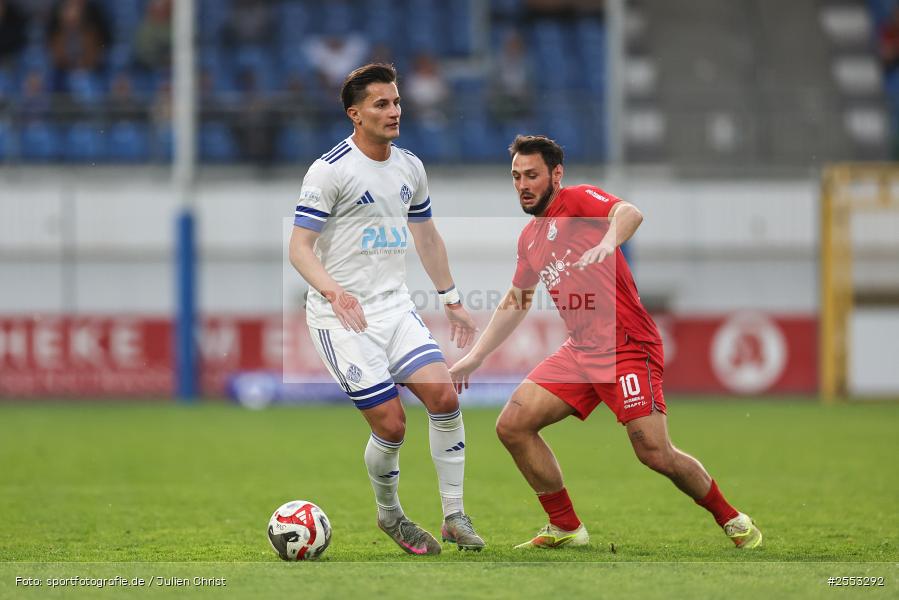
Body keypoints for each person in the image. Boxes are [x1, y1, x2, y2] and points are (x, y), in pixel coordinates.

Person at [449, 135, 762, 550]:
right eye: (516, 176)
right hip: (581, 352)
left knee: (654, 451)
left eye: (532, 175)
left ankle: (733, 519)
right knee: (513, 425)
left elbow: (630, 213)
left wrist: (606, 241)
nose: (523, 184)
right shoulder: (530, 238)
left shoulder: (578, 202)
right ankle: (565, 527)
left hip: (627, 345)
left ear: (556, 175)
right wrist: (475, 357)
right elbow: (517, 300)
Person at [288, 63, 485, 555]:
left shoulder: (410, 167)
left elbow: (427, 237)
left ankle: (455, 515)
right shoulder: (329, 170)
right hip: (341, 319)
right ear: (355, 114)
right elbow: (299, 248)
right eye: (381, 104)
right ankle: (391, 515)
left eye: (396, 102)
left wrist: (453, 301)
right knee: (392, 425)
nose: (394, 111)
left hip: (394, 307)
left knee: (444, 399)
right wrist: (334, 292)